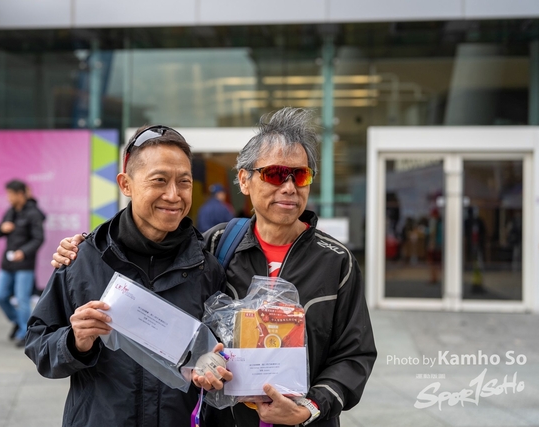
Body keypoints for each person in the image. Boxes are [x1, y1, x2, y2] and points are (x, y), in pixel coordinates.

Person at [53, 108, 377, 427]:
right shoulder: (215, 246)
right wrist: (84, 246)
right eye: (276, 174)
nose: (289, 187)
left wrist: (309, 408)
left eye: (301, 175)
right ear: (244, 180)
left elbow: (354, 354)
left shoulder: (336, 261)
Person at [25, 125, 231, 427]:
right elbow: (38, 343)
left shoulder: (207, 267)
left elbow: (223, 352)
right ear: (126, 184)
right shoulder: (82, 259)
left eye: (184, 182)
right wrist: (75, 341)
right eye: (159, 180)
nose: (173, 195)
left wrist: (214, 366)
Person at [0, 179, 45, 348]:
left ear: (21, 194)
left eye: (11, 194)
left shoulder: (33, 213)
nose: (8, 197)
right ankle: (18, 321)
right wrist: (2, 228)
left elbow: (39, 238)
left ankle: (26, 333)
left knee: (22, 299)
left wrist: (23, 252)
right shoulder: (10, 212)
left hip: (24, 264)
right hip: (7, 263)